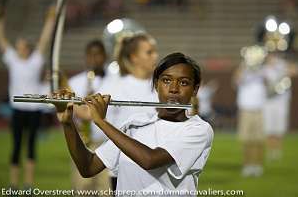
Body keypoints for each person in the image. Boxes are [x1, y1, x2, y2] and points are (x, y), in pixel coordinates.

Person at [54, 52, 214, 196]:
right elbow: (88, 167)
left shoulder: (199, 130)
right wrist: (68, 123)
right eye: (166, 80)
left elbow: (149, 160)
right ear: (156, 85)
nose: (173, 89)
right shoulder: (135, 123)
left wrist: (101, 121)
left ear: (195, 90)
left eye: (184, 83)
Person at [0, 5, 56, 190]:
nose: (20, 48)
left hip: (34, 109)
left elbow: (44, 39)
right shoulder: (13, 59)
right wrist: (0, 19)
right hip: (18, 109)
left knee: (30, 146)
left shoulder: (35, 60)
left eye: (23, 45)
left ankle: (28, 184)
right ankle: (13, 184)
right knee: (16, 146)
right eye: (18, 45)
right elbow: (0, 39)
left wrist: (50, 19)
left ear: (27, 48)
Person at [98, 32, 159, 190]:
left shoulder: (162, 86)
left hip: (154, 166)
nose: (155, 56)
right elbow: (88, 112)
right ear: (134, 57)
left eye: (155, 51)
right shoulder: (115, 85)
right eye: (149, 52)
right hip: (123, 166)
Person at [67, 40, 111, 195]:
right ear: (85, 57)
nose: (94, 59)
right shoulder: (74, 82)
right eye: (90, 55)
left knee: (105, 189)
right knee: (81, 188)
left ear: (105, 56)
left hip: (106, 143)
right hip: (83, 142)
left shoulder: (114, 80)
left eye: (97, 54)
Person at [263, 52, 298, 160]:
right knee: (269, 128)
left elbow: (297, 71)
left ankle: (278, 151)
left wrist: (283, 66)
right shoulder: (264, 68)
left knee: (279, 128)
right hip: (268, 101)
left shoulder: (282, 65)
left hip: (281, 101)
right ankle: (270, 151)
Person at [233, 58, 266, 177]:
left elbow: (271, 81)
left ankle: (258, 166)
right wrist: (245, 65)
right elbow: (236, 80)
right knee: (246, 140)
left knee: (259, 140)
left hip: (259, 109)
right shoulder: (243, 70)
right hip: (246, 109)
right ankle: (247, 165)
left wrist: (260, 67)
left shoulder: (263, 70)